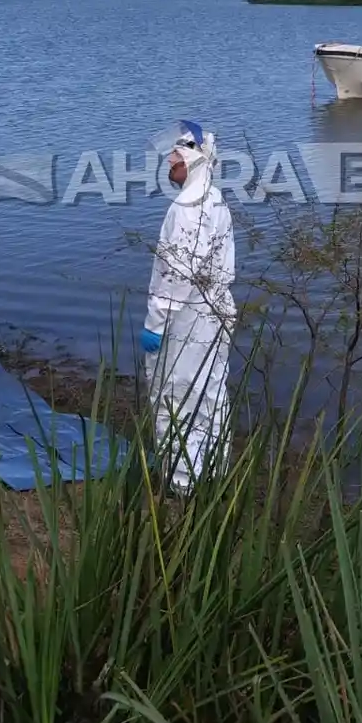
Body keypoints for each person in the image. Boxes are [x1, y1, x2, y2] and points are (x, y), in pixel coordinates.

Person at [139, 120, 237, 494]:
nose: (169, 165)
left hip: (188, 319)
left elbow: (178, 275)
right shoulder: (214, 198)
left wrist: (155, 323)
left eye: (174, 159)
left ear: (193, 160)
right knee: (211, 393)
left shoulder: (186, 208)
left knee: (176, 394)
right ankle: (213, 470)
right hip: (214, 311)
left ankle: (182, 485)